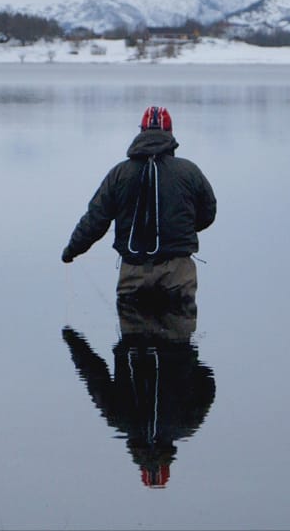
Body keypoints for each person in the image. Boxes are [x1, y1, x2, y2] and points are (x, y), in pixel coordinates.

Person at [61, 106, 216, 306]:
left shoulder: (119, 173)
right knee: (179, 332)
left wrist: (71, 251)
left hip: (133, 272)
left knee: (133, 336)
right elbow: (208, 213)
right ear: (170, 133)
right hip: (178, 272)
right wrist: (181, 228)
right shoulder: (190, 171)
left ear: (141, 131)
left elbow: (95, 220)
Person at [61, 297, 214, 488]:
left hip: (177, 334)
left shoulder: (185, 425)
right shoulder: (120, 421)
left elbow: (207, 384)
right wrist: (73, 341)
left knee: (173, 280)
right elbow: (94, 374)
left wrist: (188, 363)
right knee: (135, 283)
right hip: (132, 331)